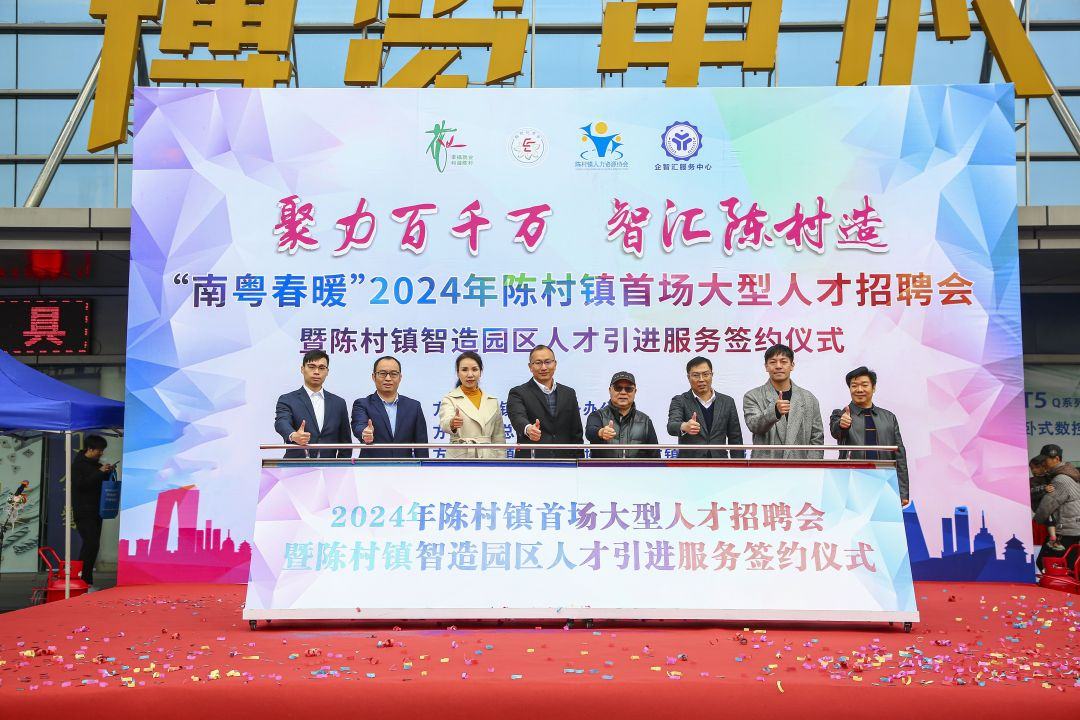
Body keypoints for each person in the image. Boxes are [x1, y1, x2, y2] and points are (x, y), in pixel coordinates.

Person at [829, 366, 910, 505]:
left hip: (885, 482)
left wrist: (902, 493)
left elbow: (899, 455)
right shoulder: (840, 414)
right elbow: (836, 432)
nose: (859, 389)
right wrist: (842, 424)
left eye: (864, 385)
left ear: (873, 388)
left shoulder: (889, 417)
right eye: (854, 386)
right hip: (852, 483)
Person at [742, 344, 824, 459]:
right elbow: (754, 425)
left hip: (800, 466)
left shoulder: (809, 398)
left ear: (792, 365)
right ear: (766, 366)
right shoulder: (753, 396)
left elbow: (817, 437)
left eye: (783, 361)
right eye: (773, 362)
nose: (778, 366)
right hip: (765, 466)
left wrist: (810, 465)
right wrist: (774, 411)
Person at [506, 345, 584, 459]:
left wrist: (579, 462)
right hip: (532, 461)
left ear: (555, 364)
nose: (543, 367)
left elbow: (576, 432)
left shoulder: (569, 393)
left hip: (565, 461)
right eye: (538, 363)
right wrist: (528, 429)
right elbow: (517, 417)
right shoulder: (518, 392)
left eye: (548, 362)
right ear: (530, 367)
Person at [274, 350, 352, 459]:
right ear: (302, 369)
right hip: (296, 465)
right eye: (311, 367)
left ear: (327, 371)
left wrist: (340, 466)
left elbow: (345, 442)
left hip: (329, 466)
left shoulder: (339, 403)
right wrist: (293, 435)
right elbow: (281, 422)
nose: (316, 372)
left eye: (321, 368)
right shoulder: (287, 399)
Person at [666, 356, 744, 459]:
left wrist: (738, 464)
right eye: (696, 375)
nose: (701, 379)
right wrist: (684, 426)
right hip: (690, 463)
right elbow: (671, 426)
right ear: (688, 377)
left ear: (712, 375)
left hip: (719, 462)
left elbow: (735, 438)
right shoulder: (680, 400)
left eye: (706, 374)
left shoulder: (727, 402)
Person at [352, 356, 429, 458]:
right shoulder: (362, 404)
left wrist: (424, 466)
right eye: (382, 373)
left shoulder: (414, 406)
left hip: (405, 466)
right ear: (374, 377)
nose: (388, 378)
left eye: (393, 374)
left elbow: (421, 445)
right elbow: (359, 425)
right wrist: (365, 433)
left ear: (400, 377)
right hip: (372, 465)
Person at [438, 352, 505, 459]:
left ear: (480, 372)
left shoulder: (492, 401)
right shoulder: (450, 399)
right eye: (464, 370)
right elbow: (445, 422)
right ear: (458, 373)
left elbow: (499, 438)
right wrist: (452, 423)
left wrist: (501, 462)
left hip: (488, 457)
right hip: (460, 457)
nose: (470, 375)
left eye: (474, 369)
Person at [72, 434, 114, 587]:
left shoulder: (96, 465)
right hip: (83, 511)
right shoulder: (78, 465)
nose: (101, 453)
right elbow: (81, 485)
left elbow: (99, 482)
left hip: (97, 510)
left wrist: (107, 472)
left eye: (102, 450)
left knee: (93, 545)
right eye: (99, 450)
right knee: (90, 543)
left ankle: (85, 579)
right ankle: (81, 579)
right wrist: (100, 472)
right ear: (90, 449)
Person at [586, 371, 660, 459]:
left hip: (637, 468)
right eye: (618, 388)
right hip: (603, 468)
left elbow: (655, 457)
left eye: (628, 389)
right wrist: (601, 432)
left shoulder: (645, 421)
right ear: (610, 390)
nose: (623, 392)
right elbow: (590, 432)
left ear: (635, 392)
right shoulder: (597, 415)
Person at [1033, 455, 1080, 569]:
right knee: (1069, 564)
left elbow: (1047, 506)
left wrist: (1037, 519)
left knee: (1045, 562)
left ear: (1056, 459)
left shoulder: (1060, 479)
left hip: (1065, 530)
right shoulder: (1072, 477)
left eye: (1045, 461)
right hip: (1073, 528)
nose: (1044, 465)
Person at [1030, 454, 1065, 552]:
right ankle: (1053, 538)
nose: (1034, 470)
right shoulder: (1031, 480)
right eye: (1032, 468)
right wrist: (1044, 489)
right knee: (1048, 515)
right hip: (1040, 508)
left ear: (1045, 467)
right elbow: (1030, 492)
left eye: (1037, 467)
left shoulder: (1051, 477)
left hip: (1053, 507)